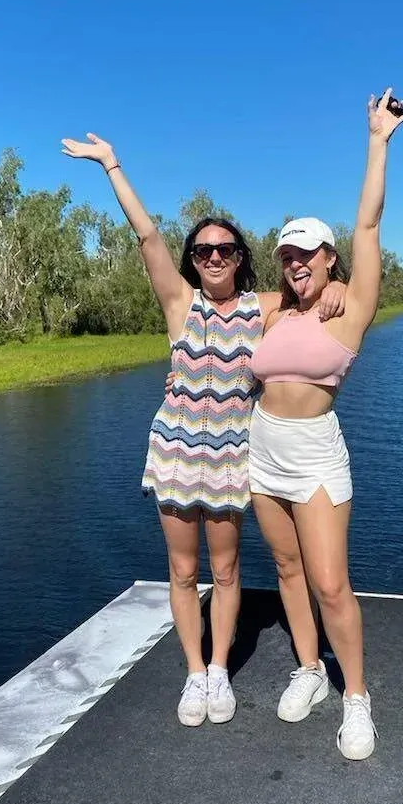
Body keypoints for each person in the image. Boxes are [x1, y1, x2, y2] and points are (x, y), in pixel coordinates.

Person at [60, 132, 346, 727]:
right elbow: (147, 236)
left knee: (228, 569)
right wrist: (111, 165)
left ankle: (220, 669)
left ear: (240, 257)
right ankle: (194, 672)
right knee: (183, 571)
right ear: (192, 260)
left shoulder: (264, 308)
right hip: (175, 452)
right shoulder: (178, 304)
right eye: (203, 250)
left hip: (234, 456)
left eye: (225, 249)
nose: (213, 257)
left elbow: (312, 285)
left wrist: (337, 286)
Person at [247, 89, 403, 759]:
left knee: (330, 582)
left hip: (315, 452)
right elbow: (208, 296)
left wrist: (378, 141)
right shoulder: (270, 310)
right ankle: (311, 670)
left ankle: (357, 698)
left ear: (329, 258)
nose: (296, 264)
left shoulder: (351, 308)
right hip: (261, 447)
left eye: (308, 254)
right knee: (287, 568)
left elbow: (368, 227)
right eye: (288, 255)